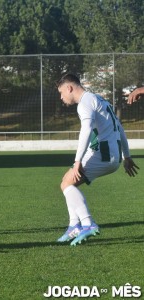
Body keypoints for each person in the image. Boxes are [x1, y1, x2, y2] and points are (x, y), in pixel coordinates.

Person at [56, 73, 139, 246]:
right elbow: (120, 128)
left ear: (69, 88)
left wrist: (77, 161)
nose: (61, 97)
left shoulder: (84, 103)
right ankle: (74, 225)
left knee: (67, 185)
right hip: (111, 155)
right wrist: (127, 156)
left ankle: (87, 224)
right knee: (66, 181)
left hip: (103, 154)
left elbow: (85, 130)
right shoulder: (100, 100)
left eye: (61, 92)